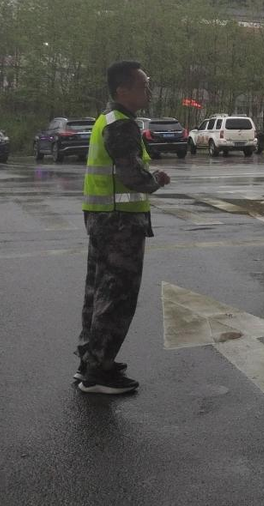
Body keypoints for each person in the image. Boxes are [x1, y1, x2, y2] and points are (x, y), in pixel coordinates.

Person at [76, 61, 170, 395]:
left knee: (98, 292)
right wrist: (155, 180)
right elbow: (130, 175)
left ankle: (91, 359)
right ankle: (99, 372)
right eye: (143, 85)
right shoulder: (121, 125)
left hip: (104, 217)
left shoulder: (109, 119)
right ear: (122, 90)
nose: (148, 90)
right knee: (117, 296)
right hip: (119, 222)